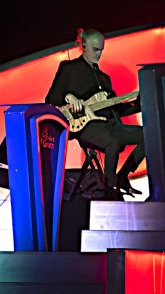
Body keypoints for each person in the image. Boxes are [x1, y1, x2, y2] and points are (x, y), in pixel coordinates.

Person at [46, 28, 145, 196]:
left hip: (110, 125)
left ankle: (123, 176)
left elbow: (116, 110)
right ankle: (110, 189)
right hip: (86, 128)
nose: (98, 54)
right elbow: (51, 99)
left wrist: (139, 105)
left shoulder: (105, 79)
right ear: (83, 46)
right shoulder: (69, 68)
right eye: (95, 49)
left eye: (101, 50)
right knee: (111, 141)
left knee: (148, 135)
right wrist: (68, 96)